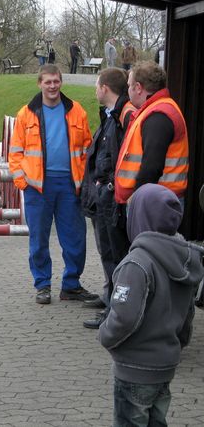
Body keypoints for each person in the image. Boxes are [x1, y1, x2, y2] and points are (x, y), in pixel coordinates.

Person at [99, 183, 204, 427]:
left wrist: (105, 335)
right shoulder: (183, 261)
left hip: (134, 366)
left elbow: (124, 316)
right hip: (165, 364)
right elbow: (187, 316)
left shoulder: (136, 263)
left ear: (139, 218)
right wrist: (177, 343)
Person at [9, 64, 97, 305]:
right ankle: (42, 285)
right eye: (47, 82)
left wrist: (85, 181)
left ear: (61, 82)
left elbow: (88, 148)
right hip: (37, 187)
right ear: (39, 84)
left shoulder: (76, 111)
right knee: (38, 239)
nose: (52, 86)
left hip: (70, 185)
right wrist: (22, 181)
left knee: (75, 237)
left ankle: (71, 285)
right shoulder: (25, 114)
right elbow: (15, 153)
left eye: (56, 81)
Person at [80, 68, 135, 329]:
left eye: (96, 85)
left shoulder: (123, 117)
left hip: (112, 196)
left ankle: (116, 313)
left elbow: (118, 157)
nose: (95, 90)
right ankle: (112, 306)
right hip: (105, 194)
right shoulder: (113, 116)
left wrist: (108, 186)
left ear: (104, 88)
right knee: (109, 254)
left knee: (115, 255)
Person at [115, 61, 189, 208]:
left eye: (129, 86)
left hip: (154, 204)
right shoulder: (157, 109)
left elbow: (152, 167)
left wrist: (136, 199)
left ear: (138, 88)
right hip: (156, 200)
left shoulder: (159, 115)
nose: (128, 91)